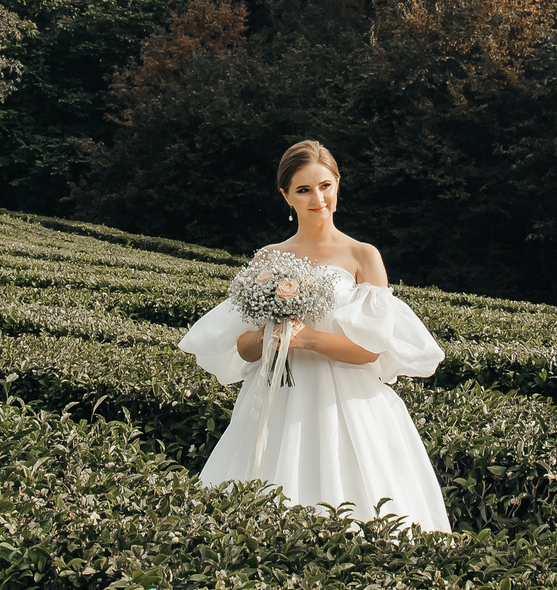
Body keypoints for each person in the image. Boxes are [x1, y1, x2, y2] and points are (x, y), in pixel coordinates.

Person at [177, 140, 452, 532]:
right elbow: (244, 344)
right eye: (304, 189)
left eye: (325, 185)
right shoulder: (268, 258)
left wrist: (306, 340)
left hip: (348, 401)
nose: (317, 198)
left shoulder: (363, 256)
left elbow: (370, 352)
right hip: (276, 397)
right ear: (286, 196)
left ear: (338, 184)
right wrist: (270, 336)